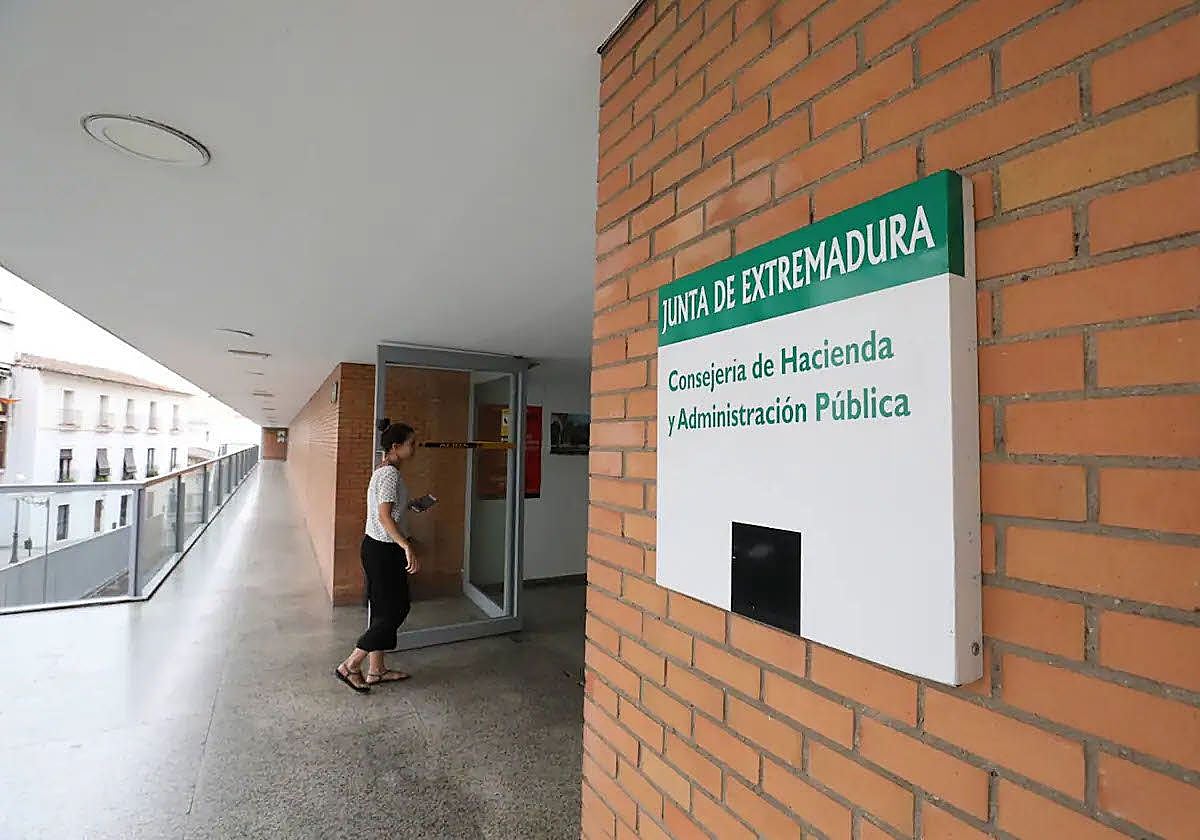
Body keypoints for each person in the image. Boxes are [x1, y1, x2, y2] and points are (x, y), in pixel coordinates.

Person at [334, 422, 422, 692]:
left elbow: (388, 511)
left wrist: (409, 507)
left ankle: (376, 670)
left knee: (383, 610)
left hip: (378, 547)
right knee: (397, 609)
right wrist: (405, 545)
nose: (415, 448)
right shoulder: (389, 476)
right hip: (383, 550)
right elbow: (384, 517)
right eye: (411, 443)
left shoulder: (385, 470)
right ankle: (350, 665)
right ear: (396, 447)